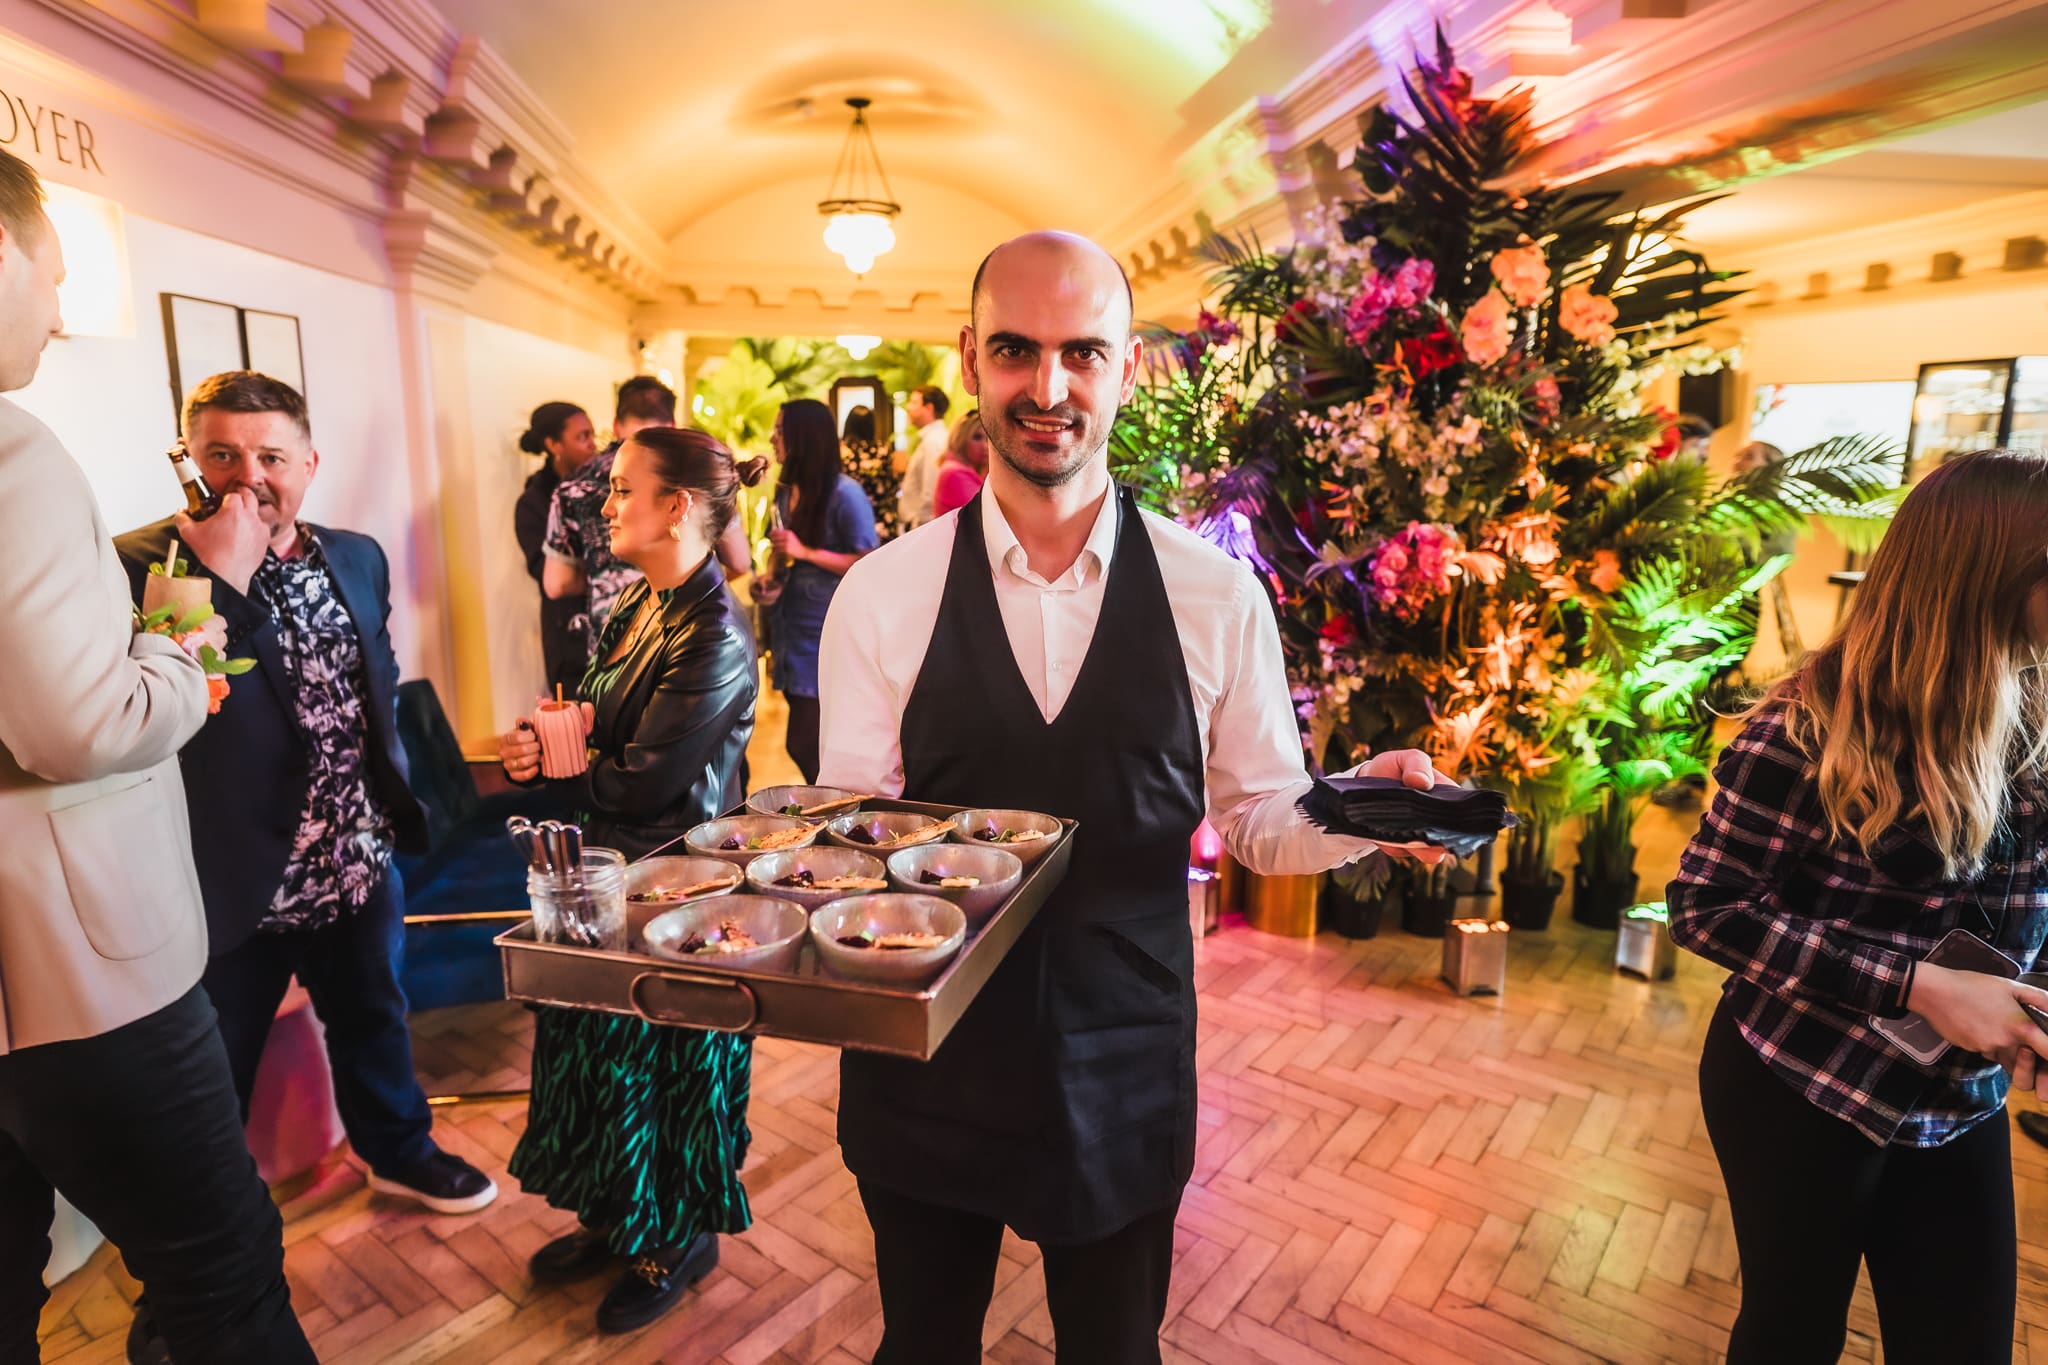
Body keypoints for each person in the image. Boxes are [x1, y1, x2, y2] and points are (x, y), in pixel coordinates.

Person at [815, 230, 1447, 1363]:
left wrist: (1363, 811)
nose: (1046, 388)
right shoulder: (881, 594)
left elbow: (1257, 818)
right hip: (924, 1054)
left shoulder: (1214, 595)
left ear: (1126, 369)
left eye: (1082, 353)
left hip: (1119, 1049)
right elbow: (848, 839)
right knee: (921, 1347)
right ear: (969, 358)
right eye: (1014, 350)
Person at [0, 150, 315, 1364]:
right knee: (220, 1269)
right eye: (56, 275)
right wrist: (206, 604)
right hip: (79, 972)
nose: (64, 310)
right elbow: (80, 724)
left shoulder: (351, 557)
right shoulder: (17, 455)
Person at [1668, 447, 2048, 1365]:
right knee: (1792, 1334)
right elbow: (1706, 906)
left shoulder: (2037, 706)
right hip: (1803, 1079)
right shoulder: (1806, 724)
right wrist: (1920, 987)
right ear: (1991, 575)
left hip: (1959, 1097)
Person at [497, 427, 764, 1334]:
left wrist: (570, 763)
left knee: (667, 1073)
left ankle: (677, 1237)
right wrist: (542, 745)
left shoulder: (718, 634)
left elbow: (649, 784)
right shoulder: (640, 604)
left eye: (620, 491)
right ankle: (618, 1219)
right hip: (616, 881)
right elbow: (593, 721)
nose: (603, 506)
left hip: (682, 899)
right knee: (602, 1062)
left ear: (676, 507)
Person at [758, 398, 877, 783]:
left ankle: (838, 813)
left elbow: (868, 560)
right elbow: (782, 548)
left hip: (826, 628)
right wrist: (771, 580)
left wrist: (805, 552)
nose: (773, 438)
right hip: (790, 624)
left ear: (801, 438)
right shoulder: (784, 490)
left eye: (780, 431)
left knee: (806, 741)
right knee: (805, 731)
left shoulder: (846, 495)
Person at [517, 400, 598, 698]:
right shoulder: (534, 503)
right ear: (553, 445)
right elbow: (548, 575)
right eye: (582, 437)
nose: (592, 445)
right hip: (571, 635)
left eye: (592, 435)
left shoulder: (601, 487)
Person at [839, 403, 899, 541]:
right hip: (881, 519)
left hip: (850, 518)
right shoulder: (884, 450)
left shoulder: (841, 453)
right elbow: (893, 484)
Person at [895, 384, 951, 530]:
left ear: (929, 408)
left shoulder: (933, 441)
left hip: (920, 527)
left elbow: (930, 492)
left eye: (914, 402)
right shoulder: (931, 438)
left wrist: (919, 528)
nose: (908, 407)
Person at [931, 409, 988, 519]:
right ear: (961, 439)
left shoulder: (968, 469)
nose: (985, 446)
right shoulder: (954, 472)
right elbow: (986, 515)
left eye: (988, 439)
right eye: (977, 437)